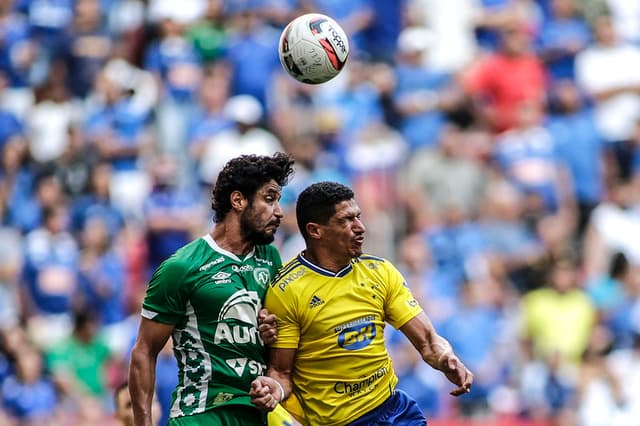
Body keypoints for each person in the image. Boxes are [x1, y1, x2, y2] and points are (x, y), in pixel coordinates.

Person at [250, 181, 473, 425]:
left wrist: (446, 358)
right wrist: (274, 390)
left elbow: (429, 342)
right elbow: (282, 374)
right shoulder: (287, 290)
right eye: (347, 220)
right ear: (315, 231)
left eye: (359, 217)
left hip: (393, 410)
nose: (361, 227)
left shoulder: (380, 271)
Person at [129, 152, 295, 426]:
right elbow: (144, 352)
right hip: (202, 415)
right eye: (269, 199)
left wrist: (269, 332)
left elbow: (275, 341)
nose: (279, 211)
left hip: (257, 415)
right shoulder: (183, 267)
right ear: (238, 200)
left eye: (278, 200)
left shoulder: (270, 257)